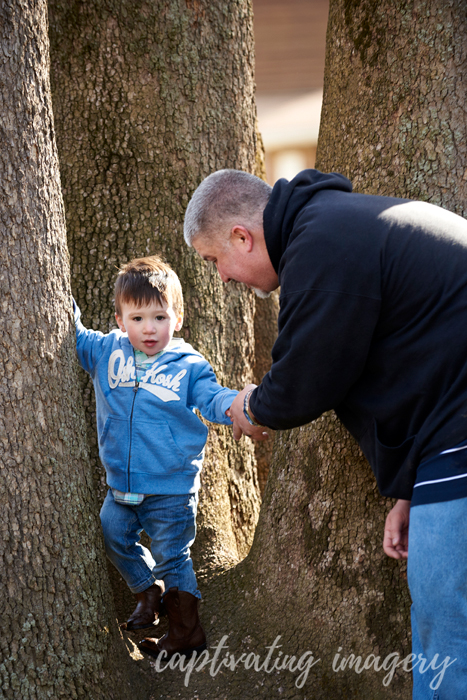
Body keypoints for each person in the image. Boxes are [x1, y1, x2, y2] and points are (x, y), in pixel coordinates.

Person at [183, 168, 467, 697]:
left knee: (448, 638)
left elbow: (305, 379)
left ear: (242, 237)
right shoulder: (332, 229)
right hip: (448, 440)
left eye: (214, 260)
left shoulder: (321, 242)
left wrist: (250, 405)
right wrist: (412, 489)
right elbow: (414, 364)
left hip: (460, 442)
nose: (221, 278)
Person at [74, 255, 265, 660]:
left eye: (159, 317)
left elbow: (212, 398)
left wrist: (237, 405)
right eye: (138, 318)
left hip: (171, 489)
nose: (149, 328)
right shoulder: (106, 352)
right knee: (113, 535)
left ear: (176, 319)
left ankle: (185, 633)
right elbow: (73, 333)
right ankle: (148, 592)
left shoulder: (188, 365)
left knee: (173, 557)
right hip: (121, 486)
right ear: (119, 320)